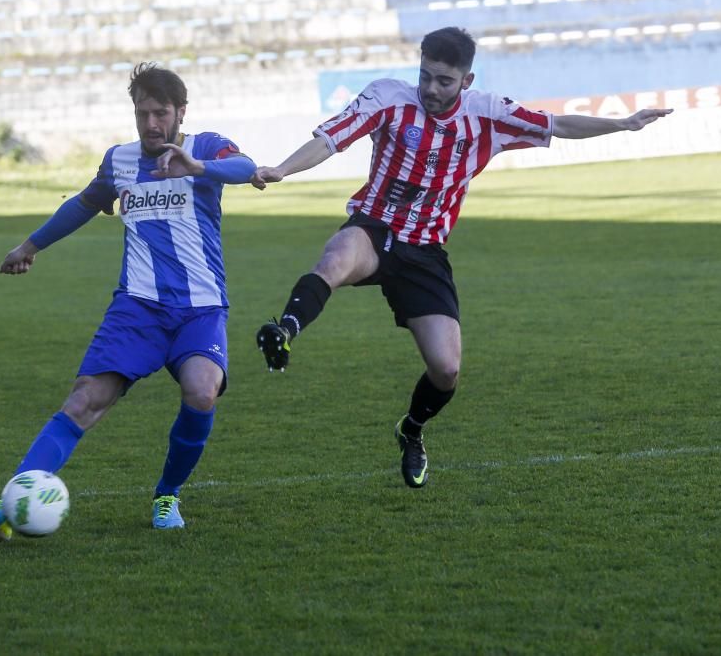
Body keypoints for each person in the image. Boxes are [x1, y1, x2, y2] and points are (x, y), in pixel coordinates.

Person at [251, 26, 672, 489]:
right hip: (376, 228)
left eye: (444, 81)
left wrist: (624, 123)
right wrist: (282, 170)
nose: (431, 88)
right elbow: (332, 139)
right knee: (334, 260)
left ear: (466, 81)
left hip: (426, 250)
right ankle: (284, 330)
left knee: (447, 369)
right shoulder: (388, 98)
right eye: (425, 76)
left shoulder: (488, 114)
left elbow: (558, 125)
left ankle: (411, 430)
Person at [0, 63, 256, 540]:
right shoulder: (119, 160)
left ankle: (167, 496)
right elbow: (83, 203)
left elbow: (245, 166)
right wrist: (30, 246)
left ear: (181, 112)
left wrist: (199, 167)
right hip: (137, 308)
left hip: (200, 308)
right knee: (84, 399)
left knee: (202, 392)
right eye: (142, 113)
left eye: (161, 113)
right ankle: (11, 499)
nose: (151, 125)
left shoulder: (203, 146)